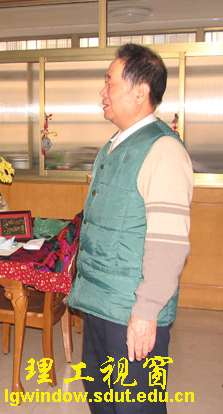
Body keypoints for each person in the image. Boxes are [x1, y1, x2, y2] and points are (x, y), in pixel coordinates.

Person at [68, 44, 194, 414]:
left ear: (140, 92)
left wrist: (147, 312)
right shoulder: (114, 146)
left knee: (136, 406)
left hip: (130, 312)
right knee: (102, 399)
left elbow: (168, 243)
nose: (102, 92)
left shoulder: (163, 151)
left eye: (110, 82)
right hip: (101, 304)